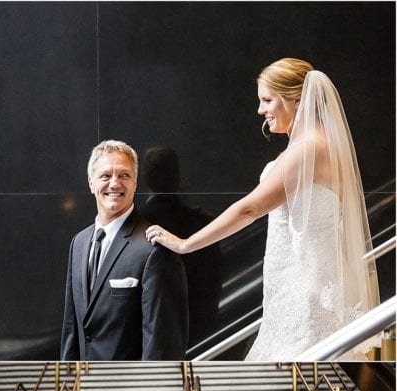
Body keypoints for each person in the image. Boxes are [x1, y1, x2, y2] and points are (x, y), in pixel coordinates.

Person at [148, 58, 380, 360]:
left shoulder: (309, 148)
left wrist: (185, 244)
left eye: (267, 100)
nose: (261, 110)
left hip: (307, 294)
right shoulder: (315, 145)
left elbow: (250, 208)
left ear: (295, 100)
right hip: (300, 287)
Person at [61, 139, 189, 361]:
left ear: (136, 183)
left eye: (124, 175)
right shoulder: (79, 243)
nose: (114, 184)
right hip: (85, 390)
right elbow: (72, 329)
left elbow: (162, 344)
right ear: (91, 183)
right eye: (105, 176)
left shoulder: (154, 249)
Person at [141, 146, 222, 348]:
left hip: (152, 336)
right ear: (177, 176)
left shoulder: (134, 225)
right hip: (202, 329)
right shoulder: (201, 221)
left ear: (145, 176)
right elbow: (213, 279)